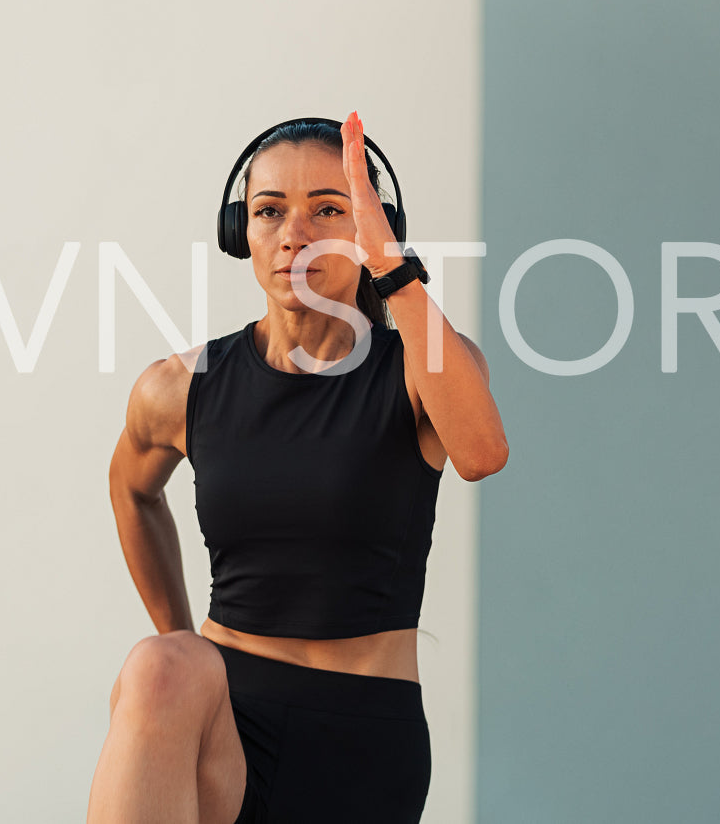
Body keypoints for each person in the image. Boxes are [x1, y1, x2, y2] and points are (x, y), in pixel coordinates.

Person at [86, 111, 508, 824]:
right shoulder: (179, 386)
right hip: (226, 722)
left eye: (328, 210)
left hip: (361, 739)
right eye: (269, 211)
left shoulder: (418, 369)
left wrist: (392, 267)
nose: (293, 233)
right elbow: (131, 489)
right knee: (159, 667)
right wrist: (182, 637)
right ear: (238, 233)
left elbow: (480, 453)